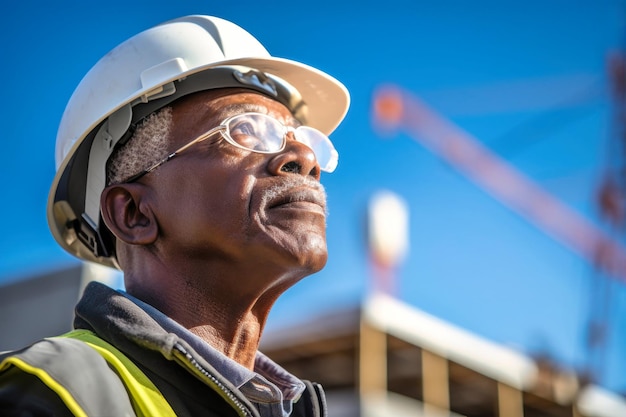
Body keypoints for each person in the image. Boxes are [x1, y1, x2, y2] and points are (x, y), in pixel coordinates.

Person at [0, 15, 349, 417]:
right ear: (133, 213)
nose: (304, 159)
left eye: (300, 139)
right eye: (247, 130)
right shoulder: (48, 392)